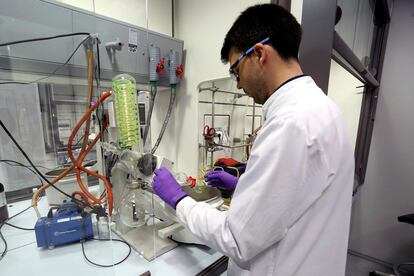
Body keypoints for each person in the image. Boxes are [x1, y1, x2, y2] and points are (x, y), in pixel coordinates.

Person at [152, 3, 354, 275]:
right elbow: (295, 195)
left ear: (259, 54)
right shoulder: (322, 109)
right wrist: (243, 185)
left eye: (236, 70)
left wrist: (179, 200)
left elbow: (236, 239)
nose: (237, 84)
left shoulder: (290, 124)